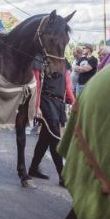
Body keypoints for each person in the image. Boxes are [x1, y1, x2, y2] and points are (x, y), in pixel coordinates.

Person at [58, 57, 110, 219]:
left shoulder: (92, 60)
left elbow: (76, 75)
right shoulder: (81, 60)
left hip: (91, 89)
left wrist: (70, 97)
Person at [28, 55, 75, 186]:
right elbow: (37, 83)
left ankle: (33, 168)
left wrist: (73, 101)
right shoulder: (40, 59)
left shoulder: (64, 61)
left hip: (58, 104)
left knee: (45, 138)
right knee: (55, 138)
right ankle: (63, 176)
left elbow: (67, 83)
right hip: (46, 101)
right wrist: (37, 106)